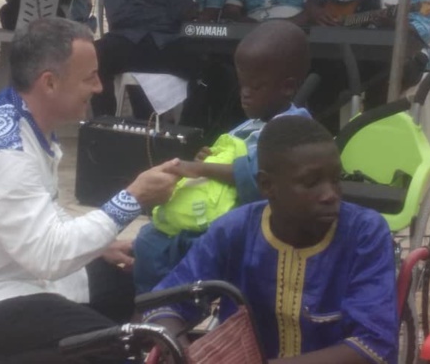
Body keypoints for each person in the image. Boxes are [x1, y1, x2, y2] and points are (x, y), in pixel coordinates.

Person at [0, 17, 181, 363]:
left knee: (122, 288)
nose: (100, 88)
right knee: (110, 346)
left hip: (3, 278)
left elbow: (39, 215)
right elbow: (48, 254)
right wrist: (133, 198)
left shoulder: (25, 123)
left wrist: (98, 245)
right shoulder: (2, 147)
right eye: (90, 77)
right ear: (49, 83)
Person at [145, 115, 398, 364]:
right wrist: (183, 355)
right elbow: (163, 307)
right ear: (267, 185)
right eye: (311, 182)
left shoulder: (364, 233)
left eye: (335, 179)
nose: (330, 195)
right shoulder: (235, 231)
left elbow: (374, 345)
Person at [133, 20, 312, 293]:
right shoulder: (253, 124)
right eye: (242, 85)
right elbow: (231, 153)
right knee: (151, 237)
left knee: (168, 246)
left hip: (253, 228)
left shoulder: (294, 128)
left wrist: (199, 170)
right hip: (223, 215)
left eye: (256, 86)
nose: (245, 94)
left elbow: (257, 174)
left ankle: (164, 306)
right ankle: (156, 305)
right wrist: (210, 157)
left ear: (287, 87)